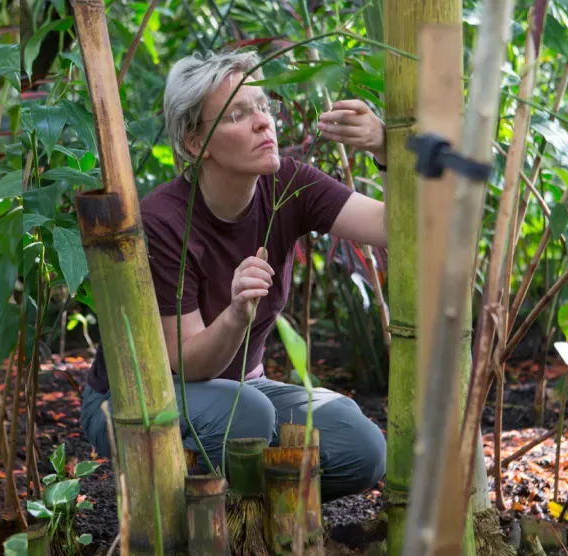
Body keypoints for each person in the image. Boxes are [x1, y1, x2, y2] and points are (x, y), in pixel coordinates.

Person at [80, 51, 392, 501]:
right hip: (136, 400)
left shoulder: (289, 184)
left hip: (244, 392)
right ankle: (202, 518)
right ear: (194, 143)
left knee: (360, 445)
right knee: (248, 415)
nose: (264, 123)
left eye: (264, 106)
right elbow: (186, 363)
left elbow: (390, 228)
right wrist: (235, 316)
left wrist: (384, 147)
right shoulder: (165, 221)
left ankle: (240, 502)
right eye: (238, 114)